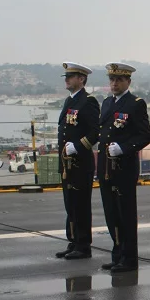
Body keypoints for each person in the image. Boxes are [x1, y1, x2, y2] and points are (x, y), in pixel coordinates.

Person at [97, 63, 150, 273]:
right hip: (106, 168)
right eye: (112, 79)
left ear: (128, 81)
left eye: (119, 80)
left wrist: (123, 148)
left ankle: (129, 259)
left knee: (125, 215)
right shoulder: (106, 104)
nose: (114, 83)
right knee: (111, 214)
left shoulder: (135, 104)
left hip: (124, 169)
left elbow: (145, 135)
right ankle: (117, 254)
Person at [55, 62, 100, 260]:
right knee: (70, 204)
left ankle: (83, 245)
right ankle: (73, 240)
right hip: (67, 163)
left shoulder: (88, 101)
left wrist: (79, 145)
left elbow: (95, 131)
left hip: (81, 162)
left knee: (81, 204)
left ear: (81, 79)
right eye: (66, 76)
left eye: (70, 76)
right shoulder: (69, 101)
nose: (66, 79)